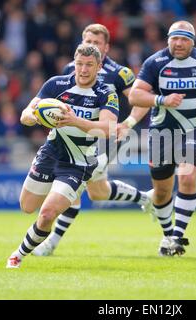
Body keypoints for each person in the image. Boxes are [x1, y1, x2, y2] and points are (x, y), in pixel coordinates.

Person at [32, 24, 152, 256]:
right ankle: (144, 197)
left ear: (106, 47)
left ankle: (50, 244)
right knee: (97, 192)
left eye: (96, 43)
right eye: (87, 42)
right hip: (74, 140)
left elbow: (140, 99)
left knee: (74, 189)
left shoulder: (120, 73)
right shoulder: (71, 68)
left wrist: (128, 123)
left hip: (103, 139)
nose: (91, 47)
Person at [6, 44, 119, 268]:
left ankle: (17, 255)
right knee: (27, 207)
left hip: (79, 162)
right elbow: (26, 113)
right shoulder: (56, 84)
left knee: (47, 214)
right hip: (51, 153)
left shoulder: (106, 93)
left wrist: (74, 120)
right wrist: (33, 117)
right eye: (79, 64)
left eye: (89, 65)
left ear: (99, 67)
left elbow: (108, 128)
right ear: (73, 63)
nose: (83, 69)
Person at [128, 21, 196, 256]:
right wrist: (161, 100)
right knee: (162, 192)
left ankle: (176, 237)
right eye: (174, 38)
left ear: (192, 42)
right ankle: (167, 236)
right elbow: (134, 96)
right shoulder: (155, 62)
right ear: (168, 39)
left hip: (192, 128)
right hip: (162, 131)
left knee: (187, 178)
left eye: (184, 39)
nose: (178, 43)